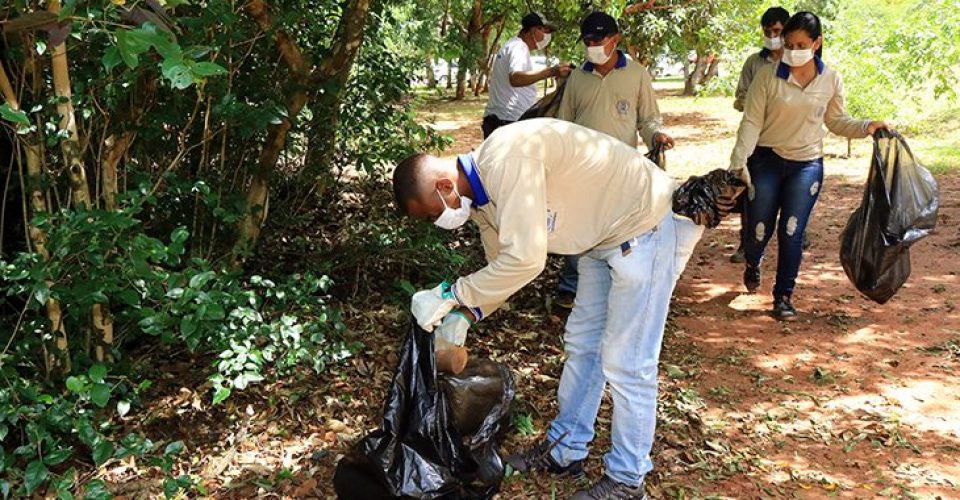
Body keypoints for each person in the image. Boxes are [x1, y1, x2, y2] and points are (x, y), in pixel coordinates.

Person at [396, 119, 706, 499]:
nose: (436, 222)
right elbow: (504, 271)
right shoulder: (482, 205)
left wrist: (450, 293)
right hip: (600, 240)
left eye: (431, 215)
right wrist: (465, 314)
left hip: (645, 224)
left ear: (444, 187)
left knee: (628, 361)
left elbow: (526, 260)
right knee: (583, 345)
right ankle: (566, 449)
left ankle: (628, 479)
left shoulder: (508, 159)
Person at [729, 11, 891, 320]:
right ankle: (753, 261)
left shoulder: (830, 79)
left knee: (792, 231)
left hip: (806, 165)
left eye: (800, 45)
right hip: (766, 160)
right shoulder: (767, 76)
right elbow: (751, 122)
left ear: (817, 43)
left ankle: (783, 296)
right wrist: (738, 163)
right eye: (789, 45)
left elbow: (837, 121)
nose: (793, 51)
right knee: (759, 229)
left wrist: (866, 126)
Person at [552, 11, 674, 309]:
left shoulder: (637, 74)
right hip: (581, 168)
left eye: (598, 40)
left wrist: (656, 136)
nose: (592, 46)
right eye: (587, 41)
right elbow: (563, 124)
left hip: (622, 168)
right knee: (578, 223)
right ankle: (570, 286)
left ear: (615, 39)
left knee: (616, 227)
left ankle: (615, 284)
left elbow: (648, 119)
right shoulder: (578, 77)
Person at [729, 6, 790, 264]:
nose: (772, 36)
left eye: (776, 31)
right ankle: (747, 244)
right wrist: (755, 104)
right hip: (756, 141)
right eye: (767, 32)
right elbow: (740, 97)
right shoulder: (754, 63)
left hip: (788, 139)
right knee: (750, 193)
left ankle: (795, 234)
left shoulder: (798, 63)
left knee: (790, 189)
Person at [482, 12, 570, 138]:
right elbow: (515, 78)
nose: (548, 36)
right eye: (545, 31)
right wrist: (551, 71)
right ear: (534, 30)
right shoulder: (519, 47)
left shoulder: (512, 45)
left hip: (502, 118)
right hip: (508, 121)